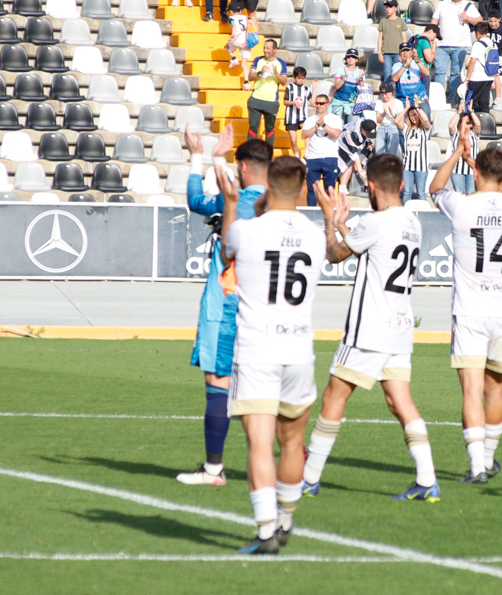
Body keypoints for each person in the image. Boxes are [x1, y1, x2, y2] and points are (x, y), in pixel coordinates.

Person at [303, 154, 440, 502]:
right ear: (404, 185)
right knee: (399, 401)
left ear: (373, 186)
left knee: (334, 396)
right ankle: (427, 480)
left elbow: (334, 255)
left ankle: (309, 478)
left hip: (370, 327)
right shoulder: (412, 221)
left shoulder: (376, 221)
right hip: (399, 325)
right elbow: (371, 250)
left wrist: (328, 219)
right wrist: (346, 226)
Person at [217, 156, 326, 554]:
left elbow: (228, 248)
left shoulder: (247, 230)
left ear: (266, 189)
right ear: (301, 189)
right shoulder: (315, 236)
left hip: (258, 348)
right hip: (299, 347)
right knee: (292, 442)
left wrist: (233, 202)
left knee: (259, 443)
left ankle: (265, 533)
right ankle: (286, 519)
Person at [178, 125, 273, 487]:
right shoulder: (280, 206)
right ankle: (300, 460)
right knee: (263, 388)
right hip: (267, 305)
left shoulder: (237, 201)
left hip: (229, 300)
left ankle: (213, 470)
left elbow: (197, 200)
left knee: (218, 380)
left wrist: (199, 154)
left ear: (245, 167)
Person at [428, 143, 502, 484]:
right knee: (495, 391)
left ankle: (476, 467)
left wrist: (458, 154)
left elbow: (435, 188)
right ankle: (489, 459)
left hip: (470, 311)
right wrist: (484, 168)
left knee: (471, 391)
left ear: (474, 173)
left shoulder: (462, 205)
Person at [431, 0, 482, 108]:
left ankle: (453, 101)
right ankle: (438, 100)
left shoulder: (468, 5)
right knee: (439, 73)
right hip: (441, 45)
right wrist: (430, 39)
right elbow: (434, 21)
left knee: (456, 74)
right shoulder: (442, 4)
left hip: (460, 45)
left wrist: (468, 18)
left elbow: (480, 20)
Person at [301, 93, 343, 206]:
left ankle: (329, 215)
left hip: (330, 157)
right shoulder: (310, 120)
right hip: (313, 157)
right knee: (312, 189)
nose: (318, 105)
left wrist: (323, 125)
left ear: (328, 104)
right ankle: (311, 215)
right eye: (317, 103)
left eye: (321, 103)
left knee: (330, 189)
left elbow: (336, 134)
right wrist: (315, 127)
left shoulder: (335, 119)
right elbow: (303, 135)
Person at [247, 39, 288, 146]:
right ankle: (250, 155)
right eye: (264, 47)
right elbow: (250, 77)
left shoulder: (281, 63)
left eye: (268, 48)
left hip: (271, 101)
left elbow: (284, 82)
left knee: (269, 129)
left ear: (275, 50)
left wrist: (276, 74)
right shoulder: (257, 60)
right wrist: (260, 72)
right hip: (256, 99)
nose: (265, 50)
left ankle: (268, 157)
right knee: (253, 128)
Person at [396, 96, 430, 204]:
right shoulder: (406, 129)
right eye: (410, 116)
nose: (413, 117)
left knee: (421, 193)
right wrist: (406, 109)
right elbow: (397, 121)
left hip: (421, 166)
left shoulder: (424, 129)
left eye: (414, 115)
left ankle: (423, 216)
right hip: (407, 167)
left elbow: (426, 120)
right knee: (407, 192)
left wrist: (417, 107)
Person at [392, 41, 432, 120]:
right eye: (403, 51)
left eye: (407, 51)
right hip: (404, 99)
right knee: (403, 122)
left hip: (420, 97)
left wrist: (417, 61)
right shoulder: (396, 66)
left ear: (411, 52)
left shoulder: (417, 64)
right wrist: (404, 66)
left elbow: (427, 73)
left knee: (426, 117)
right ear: (399, 53)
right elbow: (394, 79)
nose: (405, 53)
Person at [335, 119, 377, 194]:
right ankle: (342, 187)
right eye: (367, 133)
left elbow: (365, 137)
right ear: (362, 129)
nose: (368, 136)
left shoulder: (364, 124)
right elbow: (354, 155)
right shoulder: (351, 134)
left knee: (357, 162)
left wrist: (368, 143)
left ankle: (345, 185)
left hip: (351, 149)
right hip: (340, 147)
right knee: (349, 162)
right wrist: (360, 172)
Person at [284, 66, 315, 161]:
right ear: (294, 77)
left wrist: (314, 88)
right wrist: (294, 102)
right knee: (293, 140)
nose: (301, 80)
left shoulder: (306, 89)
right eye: (299, 78)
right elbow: (285, 102)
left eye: (303, 78)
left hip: (303, 116)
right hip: (291, 117)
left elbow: (313, 102)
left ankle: (307, 155)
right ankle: (296, 156)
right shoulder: (290, 87)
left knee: (308, 133)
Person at [465, 22, 496, 114]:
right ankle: (485, 122)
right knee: (484, 103)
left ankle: (467, 122)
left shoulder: (477, 44)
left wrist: (468, 77)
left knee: (469, 101)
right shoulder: (493, 44)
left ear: (477, 33)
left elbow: (472, 62)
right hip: (489, 77)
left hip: (477, 78)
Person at [448, 107, 480, 194]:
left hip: (471, 170)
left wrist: (471, 111)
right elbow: (451, 126)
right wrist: (458, 112)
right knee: (459, 195)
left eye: (468, 122)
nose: (466, 124)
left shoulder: (474, 134)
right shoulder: (455, 134)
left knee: (471, 194)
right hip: (457, 170)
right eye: (463, 122)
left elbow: (478, 125)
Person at [376, 0, 409, 83]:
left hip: (398, 53)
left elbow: (404, 38)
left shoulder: (401, 21)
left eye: (390, 7)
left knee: (399, 72)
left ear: (395, 8)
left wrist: (403, 53)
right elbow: (380, 38)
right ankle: (387, 92)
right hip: (386, 53)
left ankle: (398, 93)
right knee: (387, 73)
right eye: (386, 7)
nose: (388, 9)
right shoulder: (383, 21)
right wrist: (379, 52)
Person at [330, 48, 365, 124]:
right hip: (339, 103)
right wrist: (345, 77)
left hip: (353, 104)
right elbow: (337, 86)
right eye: (348, 57)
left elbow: (362, 90)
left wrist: (361, 79)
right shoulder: (340, 69)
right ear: (345, 59)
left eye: (353, 57)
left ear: (357, 59)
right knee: (337, 127)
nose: (350, 59)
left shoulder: (360, 72)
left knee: (353, 128)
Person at [225, 2, 252, 84]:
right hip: (247, 42)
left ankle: (234, 59)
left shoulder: (231, 18)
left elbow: (234, 26)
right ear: (241, 10)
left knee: (227, 47)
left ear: (231, 11)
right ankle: (246, 83)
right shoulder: (246, 17)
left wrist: (232, 35)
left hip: (236, 40)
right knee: (244, 64)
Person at [375, 82, 402, 157]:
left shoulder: (399, 103)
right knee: (378, 154)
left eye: (386, 94)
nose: (384, 96)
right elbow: (378, 120)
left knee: (391, 155)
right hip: (381, 128)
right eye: (382, 94)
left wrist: (393, 114)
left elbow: (401, 121)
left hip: (393, 127)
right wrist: (383, 114)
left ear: (391, 93)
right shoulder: (379, 102)